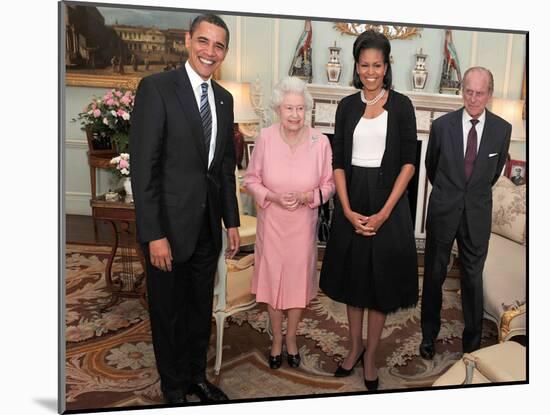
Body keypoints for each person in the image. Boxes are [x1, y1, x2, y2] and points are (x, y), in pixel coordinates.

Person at [130, 14, 240, 405]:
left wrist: (231, 223)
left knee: (198, 311)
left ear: (225, 52)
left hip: (208, 229)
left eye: (219, 46)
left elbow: (224, 167)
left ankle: (195, 376)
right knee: (168, 313)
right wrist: (153, 233)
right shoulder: (157, 89)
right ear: (188, 40)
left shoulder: (224, 100)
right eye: (204, 42)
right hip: (168, 231)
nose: (210, 52)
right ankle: (173, 388)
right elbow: (144, 168)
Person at [319, 30, 418, 391]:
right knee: (354, 280)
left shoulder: (403, 105)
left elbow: (409, 162)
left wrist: (385, 212)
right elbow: (338, 160)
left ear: (387, 65)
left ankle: (371, 354)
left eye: (377, 65)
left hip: (388, 202)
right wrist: (345, 209)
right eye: (364, 65)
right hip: (353, 199)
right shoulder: (346, 106)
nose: (371, 72)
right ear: (356, 66)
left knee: (379, 285)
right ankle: (354, 346)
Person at [419, 67, 511, 360]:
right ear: (462, 91)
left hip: (477, 214)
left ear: (490, 94)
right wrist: (450, 193)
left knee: (473, 278)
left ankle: (471, 343)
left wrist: (470, 195)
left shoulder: (502, 130)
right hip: (443, 210)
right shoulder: (443, 125)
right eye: (468, 91)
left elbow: (493, 174)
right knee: (434, 275)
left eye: (480, 93)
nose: (473, 98)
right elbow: (431, 166)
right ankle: (428, 336)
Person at [244, 76, 335, 370]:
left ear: (307, 110)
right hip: (271, 224)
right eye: (288, 108)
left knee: (297, 284)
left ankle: (292, 337)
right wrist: (271, 195)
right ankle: (276, 340)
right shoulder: (266, 138)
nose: (295, 115)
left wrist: (309, 195)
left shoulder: (320, 142)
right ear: (278, 110)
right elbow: (250, 180)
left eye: (300, 109)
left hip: (302, 226)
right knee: (272, 283)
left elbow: (330, 185)